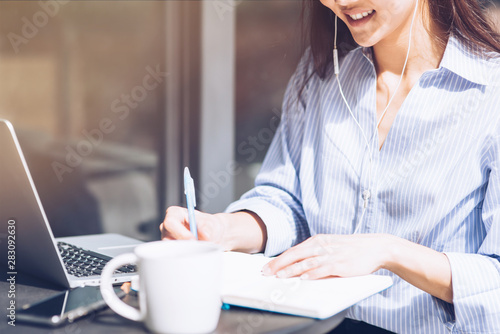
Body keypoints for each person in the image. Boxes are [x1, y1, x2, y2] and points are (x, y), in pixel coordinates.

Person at [160, 0, 500, 333]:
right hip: (314, 324)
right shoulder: (321, 74)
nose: (342, 2)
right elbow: (287, 200)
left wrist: (389, 251)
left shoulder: (491, 94)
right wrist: (222, 230)